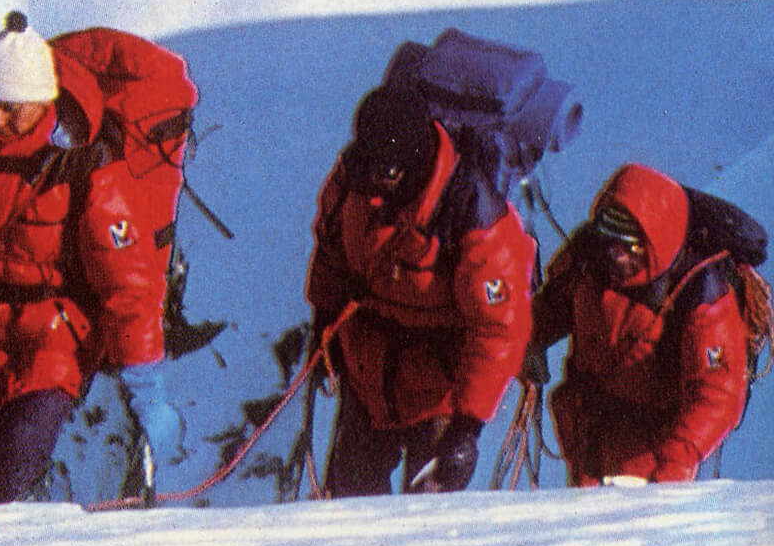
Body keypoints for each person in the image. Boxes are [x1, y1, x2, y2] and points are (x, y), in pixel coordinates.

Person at [0, 13, 176, 505]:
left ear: (43, 101)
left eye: (11, 109)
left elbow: (128, 281)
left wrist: (145, 383)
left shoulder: (84, 167)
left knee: (3, 492)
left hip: (50, 353)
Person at [305, 85, 535, 497]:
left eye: (388, 174)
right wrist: (323, 326)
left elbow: (498, 329)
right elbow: (330, 252)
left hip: (441, 395)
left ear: (416, 165)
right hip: (367, 374)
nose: (374, 186)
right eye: (369, 168)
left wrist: (467, 428)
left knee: (426, 527)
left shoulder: (474, 215)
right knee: (344, 514)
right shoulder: (352, 178)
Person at [531, 165, 752, 485]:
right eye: (612, 243)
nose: (617, 257)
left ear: (655, 242)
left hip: (652, 457)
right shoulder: (589, 260)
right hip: (587, 443)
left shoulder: (700, 290)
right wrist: (526, 343)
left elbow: (718, 394)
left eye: (631, 247)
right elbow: (548, 310)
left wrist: (674, 466)